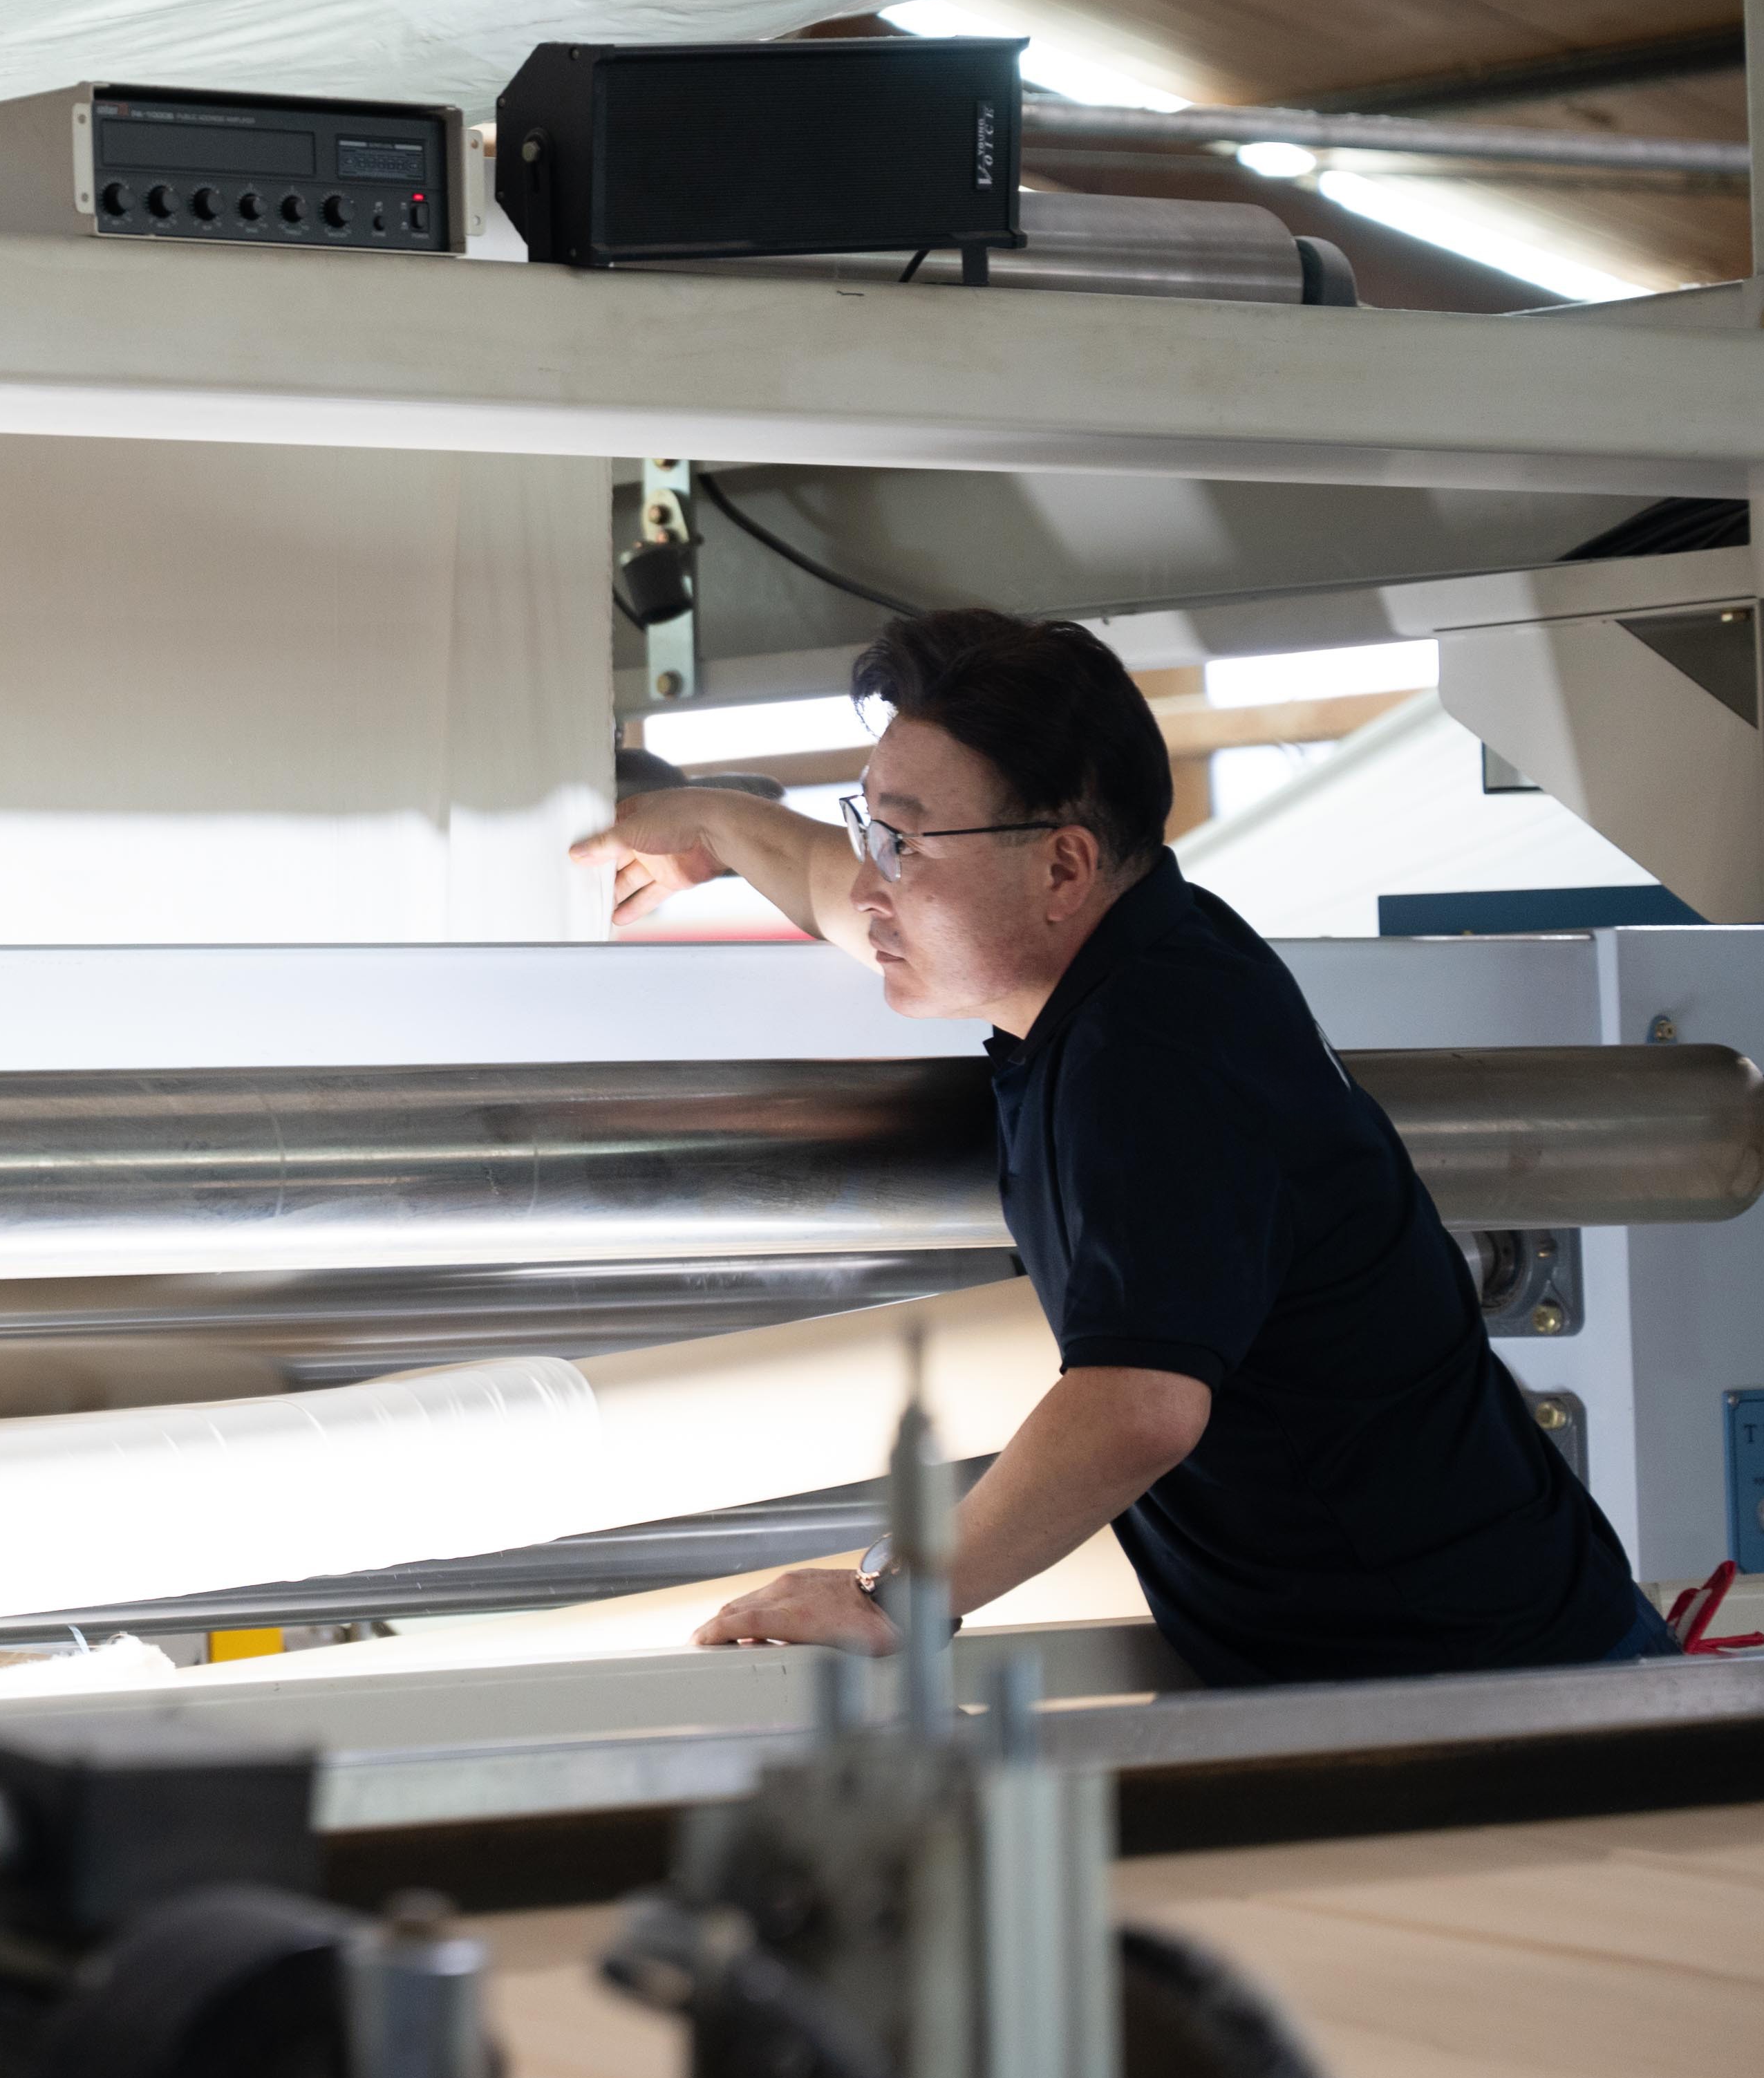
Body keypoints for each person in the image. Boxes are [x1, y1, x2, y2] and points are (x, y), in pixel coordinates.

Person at [573, 606, 1667, 1684]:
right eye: (871, 829)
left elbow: (1136, 1407)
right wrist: (707, 826)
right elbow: (846, 895)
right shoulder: (1123, 955)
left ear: (1062, 868)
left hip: (1491, 1690)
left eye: (903, 843)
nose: (872, 882)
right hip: (1426, 1665)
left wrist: (892, 1598)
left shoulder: (1157, 1055)